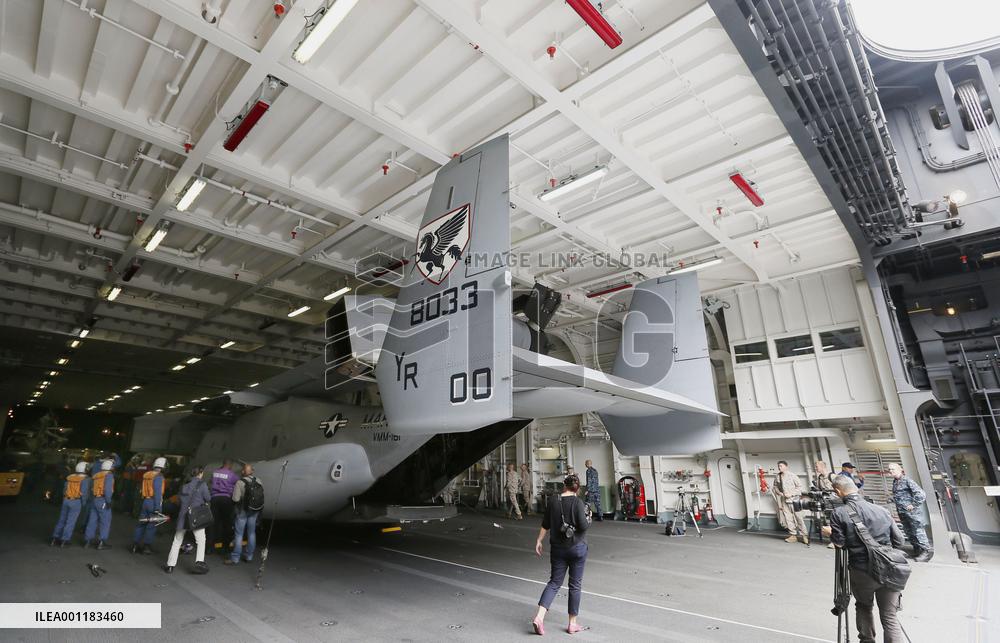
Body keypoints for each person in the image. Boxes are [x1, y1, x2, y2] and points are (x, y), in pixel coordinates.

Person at [822, 476, 905, 643]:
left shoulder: (839, 513)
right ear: (856, 488)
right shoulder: (882, 510)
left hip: (862, 570)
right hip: (890, 568)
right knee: (890, 616)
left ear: (838, 492)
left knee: (864, 606)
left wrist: (830, 533)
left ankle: (867, 640)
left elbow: (839, 544)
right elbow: (899, 542)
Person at [532, 474, 591, 636]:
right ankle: (572, 624)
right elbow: (583, 526)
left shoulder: (553, 501)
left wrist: (539, 540)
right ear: (577, 488)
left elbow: (545, 524)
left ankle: (539, 617)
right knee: (575, 585)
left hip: (558, 549)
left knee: (554, 583)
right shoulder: (578, 503)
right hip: (577, 549)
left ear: (564, 486)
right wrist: (589, 516)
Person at [164, 465, 211, 574]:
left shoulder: (184, 486)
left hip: (183, 517)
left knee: (177, 541)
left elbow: (179, 501)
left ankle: (170, 565)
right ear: (200, 473)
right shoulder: (202, 485)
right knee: (201, 540)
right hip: (196, 517)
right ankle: (199, 562)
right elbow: (208, 498)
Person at [887, 463, 933, 561]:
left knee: (918, 531)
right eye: (890, 469)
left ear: (900, 469)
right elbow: (901, 495)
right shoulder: (895, 482)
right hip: (902, 512)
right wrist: (892, 499)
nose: (891, 471)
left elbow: (921, 494)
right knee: (909, 532)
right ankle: (917, 550)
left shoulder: (907, 480)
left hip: (913, 513)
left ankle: (926, 552)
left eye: (893, 469)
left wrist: (913, 504)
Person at [226, 463, 263, 565]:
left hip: (243, 511)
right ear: (252, 471)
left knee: (239, 534)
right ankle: (249, 556)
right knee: (251, 533)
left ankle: (235, 558)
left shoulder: (240, 482)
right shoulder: (259, 481)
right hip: (255, 510)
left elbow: (235, 499)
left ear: (243, 472)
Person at [50, 461, 90, 547]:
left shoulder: (70, 477)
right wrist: (83, 503)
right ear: (84, 469)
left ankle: (54, 538)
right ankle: (64, 540)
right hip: (76, 501)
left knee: (61, 519)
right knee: (70, 522)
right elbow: (84, 493)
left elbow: (64, 490)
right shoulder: (85, 479)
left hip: (66, 500)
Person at [130, 457, 165, 554]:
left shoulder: (147, 475)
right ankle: (146, 547)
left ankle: (135, 545)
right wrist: (157, 508)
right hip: (154, 503)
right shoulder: (158, 477)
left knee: (141, 524)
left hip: (145, 501)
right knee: (151, 525)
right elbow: (157, 493)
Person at [772, 460, 808, 544]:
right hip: (784, 501)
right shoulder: (778, 476)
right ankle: (793, 535)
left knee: (799, 518)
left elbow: (799, 487)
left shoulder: (793, 476)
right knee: (788, 519)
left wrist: (791, 494)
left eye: (781, 466)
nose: (779, 467)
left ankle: (804, 535)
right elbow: (775, 486)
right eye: (778, 466)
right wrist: (779, 493)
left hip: (794, 500)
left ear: (786, 466)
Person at [208, 459, 239, 555]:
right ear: (229, 465)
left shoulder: (215, 472)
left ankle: (209, 548)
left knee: (213, 523)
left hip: (214, 499)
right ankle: (226, 548)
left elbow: (210, 482)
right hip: (226, 500)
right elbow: (238, 483)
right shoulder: (231, 474)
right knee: (227, 524)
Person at [83, 459, 114, 549]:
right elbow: (107, 490)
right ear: (110, 467)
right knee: (105, 521)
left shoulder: (96, 476)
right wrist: (108, 501)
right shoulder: (108, 476)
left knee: (92, 520)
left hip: (95, 499)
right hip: (103, 500)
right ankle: (101, 542)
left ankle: (87, 541)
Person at [814, 461, 837, 549]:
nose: (815, 468)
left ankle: (836, 541)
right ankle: (833, 539)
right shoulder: (819, 478)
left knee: (835, 522)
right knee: (828, 521)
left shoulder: (832, 476)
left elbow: (840, 488)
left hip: (835, 503)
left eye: (817, 466)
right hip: (826, 503)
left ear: (822, 466)